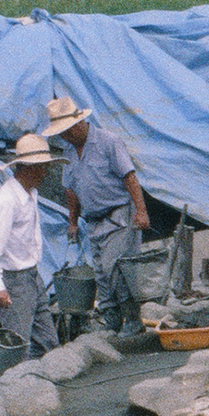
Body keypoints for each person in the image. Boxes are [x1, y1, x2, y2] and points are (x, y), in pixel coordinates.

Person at [43, 96, 151, 337]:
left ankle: (133, 320)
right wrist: (72, 222)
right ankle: (112, 320)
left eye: (67, 132)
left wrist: (141, 211)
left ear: (78, 124)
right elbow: (70, 190)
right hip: (94, 220)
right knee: (101, 273)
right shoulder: (69, 152)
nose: (65, 137)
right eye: (62, 134)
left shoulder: (108, 141)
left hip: (118, 214)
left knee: (116, 268)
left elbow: (129, 177)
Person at [0, 134, 60, 357]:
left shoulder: (30, 194)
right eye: (42, 167)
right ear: (28, 168)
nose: (45, 173)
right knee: (17, 344)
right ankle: (14, 378)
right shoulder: (7, 200)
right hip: (14, 280)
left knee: (47, 342)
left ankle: (40, 373)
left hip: (32, 275)